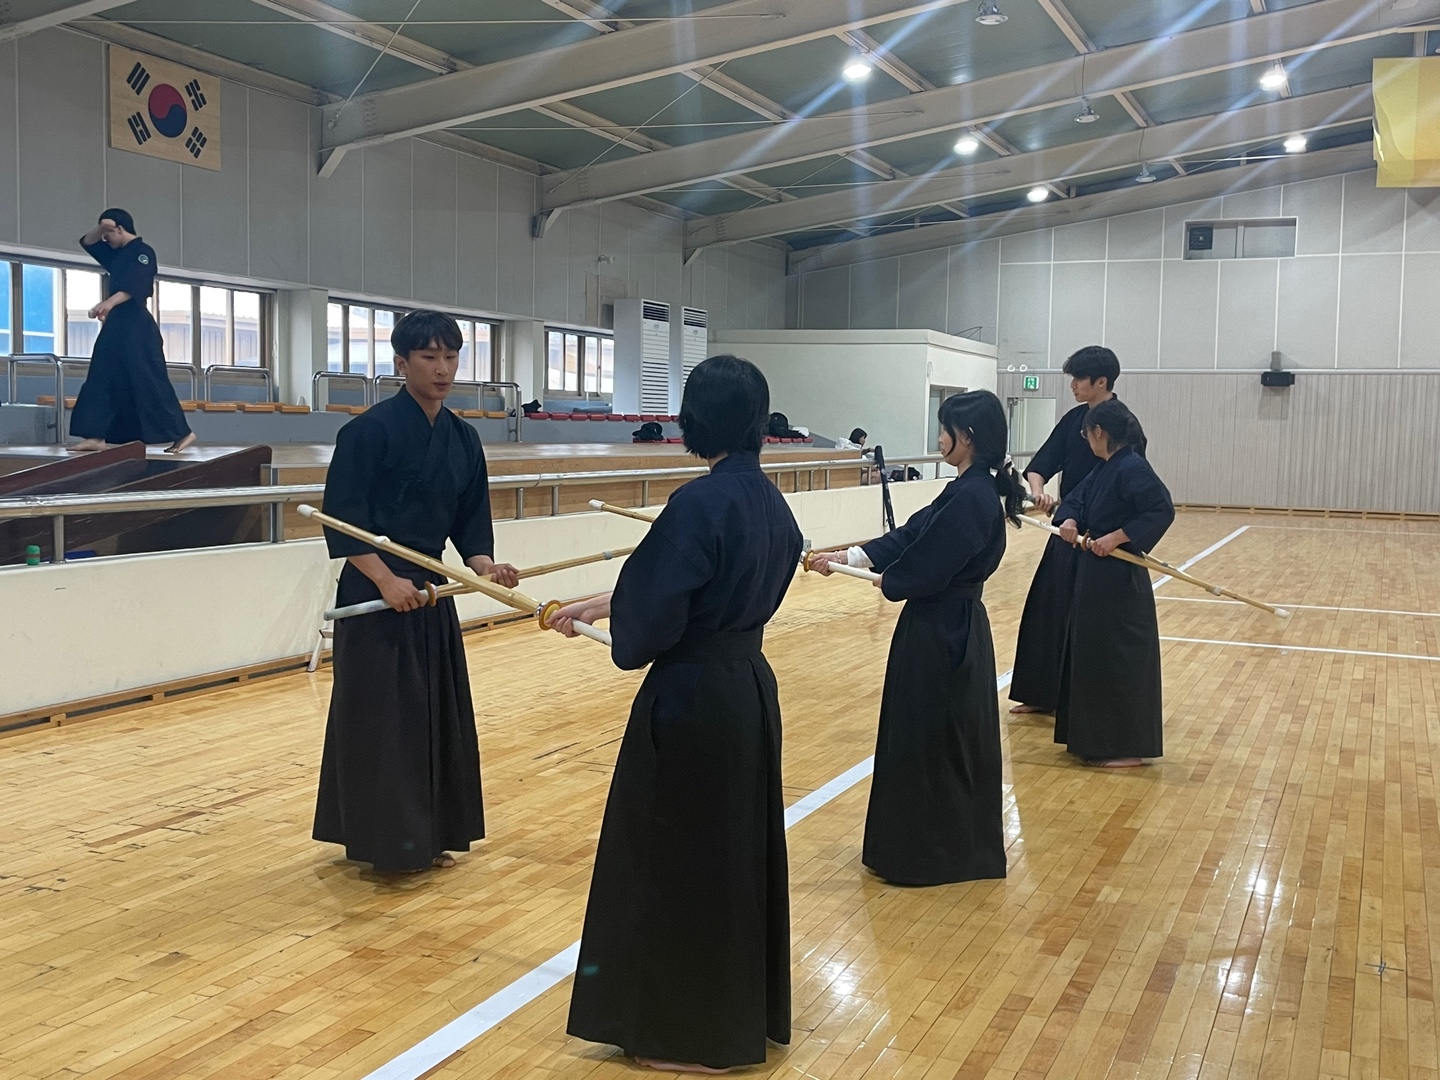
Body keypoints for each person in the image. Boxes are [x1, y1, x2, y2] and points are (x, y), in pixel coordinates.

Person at [547, 354, 802, 1073]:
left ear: (695, 420)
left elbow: (655, 623)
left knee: (678, 859)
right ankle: (730, 1018)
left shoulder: (699, 502)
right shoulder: (772, 504)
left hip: (692, 700)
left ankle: (688, 1036)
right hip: (746, 687)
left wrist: (627, 624)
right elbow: (700, 591)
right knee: (732, 856)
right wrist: (605, 605)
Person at [314, 310, 519, 874]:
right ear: (402, 363)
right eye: (429, 357)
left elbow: (470, 519)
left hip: (428, 589)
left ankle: (429, 835)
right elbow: (343, 520)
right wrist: (385, 579)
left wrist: (483, 565)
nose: (442, 369)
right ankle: (385, 844)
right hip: (375, 591)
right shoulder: (367, 432)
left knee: (432, 713)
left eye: (451, 357)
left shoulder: (463, 438)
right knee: (382, 719)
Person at [811, 390, 1022, 887]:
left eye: (945, 429)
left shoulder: (973, 496)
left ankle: (936, 854)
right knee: (926, 735)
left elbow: (932, 561)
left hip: (945, 631)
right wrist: (851, 557)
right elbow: (913, 534)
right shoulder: (966, 488)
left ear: (967, 437)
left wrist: (895, 580)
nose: (939, 438)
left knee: (934, 739)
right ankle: (926, 847)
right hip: (941, 624)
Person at [1008, 345, 1146, 716]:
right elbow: (1041, 464)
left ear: (1101, 381)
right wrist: (1039, 492)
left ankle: (1084, 702)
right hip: (1066, 529)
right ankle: (1041, 693)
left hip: (1103, 538)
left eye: (1079, 379)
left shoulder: (1126, 426)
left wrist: (1114, 534)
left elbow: (1133, 489)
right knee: (1048, 609)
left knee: (1090, 620)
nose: (1073, 386)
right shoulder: (1073, 420)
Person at [1053, 399, 1174, 768]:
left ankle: (1127, 746)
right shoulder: (1105, 467)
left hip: (1121, 580)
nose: (1087, 439)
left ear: (1099, 432)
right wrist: (1070, 520)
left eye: (1087, 433)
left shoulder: (1132, 467)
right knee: (1094, 655)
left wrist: (1118, 537)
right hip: (1094, 575)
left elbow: (1161, 509)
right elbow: (1076, 499)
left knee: (1119, 657)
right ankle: (1096, 740)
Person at [69, 210, 195, 454]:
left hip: (137, 326)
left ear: (120, 229)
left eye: (109, 234)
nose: (105, 240)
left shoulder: (143, 252)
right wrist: (102, 227)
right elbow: (88, 242)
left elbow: (137, 285)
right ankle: (96, 435)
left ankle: (182, 432)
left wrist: (108, 303)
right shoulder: (117, 254)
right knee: (101, 375)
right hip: (117, 324)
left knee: (147, 378)